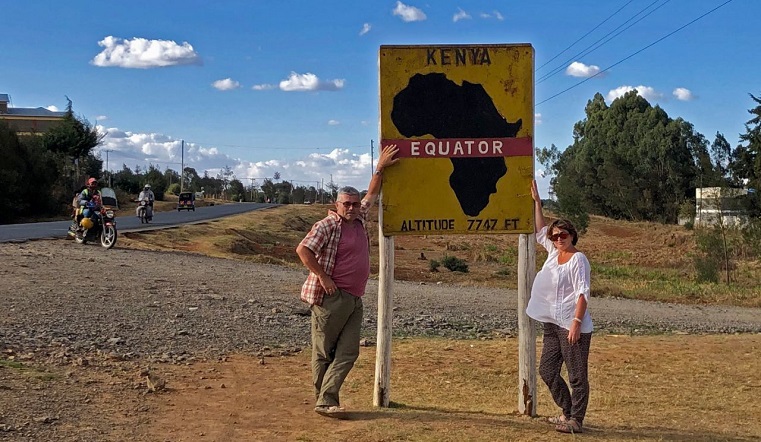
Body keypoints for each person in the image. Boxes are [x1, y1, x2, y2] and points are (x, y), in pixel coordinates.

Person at [296, 144, 399, 418]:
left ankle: (326, 399)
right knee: (324, 351)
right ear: (337, 205)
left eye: (355, 203)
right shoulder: (327, 225)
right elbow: (303, 250)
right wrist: (324, 276)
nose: (353, 207)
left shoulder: (360, 218)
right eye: (347, 204)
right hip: (332, 297)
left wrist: (380, 168)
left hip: (355, 298)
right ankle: (326, 401)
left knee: (349, 351)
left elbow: (372, 194)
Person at [526, 179, 592, 434]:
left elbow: (583, 293)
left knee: (576, 375)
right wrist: (538, 203)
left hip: (571, 326)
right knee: (547, 370)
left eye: (563, 235)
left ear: (572, 235)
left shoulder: (578, 259)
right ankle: (567, 412)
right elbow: (540, 229)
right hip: (552, 324)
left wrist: (576, 323)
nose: (558, 239)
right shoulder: (554, 252)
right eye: (555, 236)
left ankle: (576, 419)